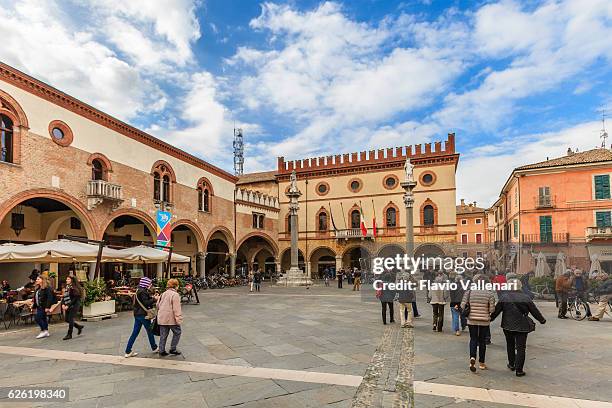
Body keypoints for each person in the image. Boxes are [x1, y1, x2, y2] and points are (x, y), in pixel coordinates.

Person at [490, 278, 546, 377]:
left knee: (510, 345)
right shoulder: (526, 297)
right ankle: (519, 370)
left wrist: (490, 319)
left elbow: (497, 311)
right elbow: (534, 311)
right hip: (522, 326)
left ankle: (511, 364)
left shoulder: (504, 297)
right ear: (520, 286)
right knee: (521, 348)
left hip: (507, 325)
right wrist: (541, 320)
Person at [461, 274, 495, 372]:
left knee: (473, 339)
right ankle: (481, 363)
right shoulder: (489, 294)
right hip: (484, 320)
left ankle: (472, 357)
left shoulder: (469, 292)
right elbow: (492, 310)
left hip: (472, 320)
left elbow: (462, 306)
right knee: (482, 341)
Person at [125, 277, 159, 358]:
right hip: (143, 315)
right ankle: (154, 347)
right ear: (146, 283)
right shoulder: (143, 291)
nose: (150, 285)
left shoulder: (138, 290)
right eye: (149, 283)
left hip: (137, 314)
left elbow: (143, 301)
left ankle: (128, 351)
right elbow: (146, 303)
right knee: (150, 331)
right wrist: (155, 299)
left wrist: (152, 297)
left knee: (135, 332)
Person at [157, 279, 183, 357]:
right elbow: (176, 309)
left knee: (163, 335)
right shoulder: (175, 295)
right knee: (177, 332)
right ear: (175, 286)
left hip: (162, 317)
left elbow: (157, 305)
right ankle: (173, 348)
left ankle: (161, 350)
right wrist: (178, 319)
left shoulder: (163, 294)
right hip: (171, 318)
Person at [61, 275, 84, 340]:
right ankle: (79, 327)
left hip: (74, 305)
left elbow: (75, 299)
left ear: (72, 280)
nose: (66, 280)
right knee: (67, 319)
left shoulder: (74, 288)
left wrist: (68, 305)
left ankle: (69, 334)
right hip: (67, 305)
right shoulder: (67, 287)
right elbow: (64, 296)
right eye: (66, 279)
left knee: (70, 319)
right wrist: (63, 304)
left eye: (68, 279)